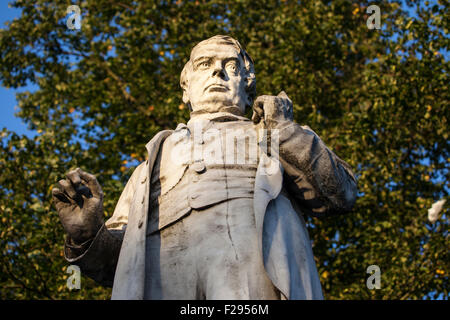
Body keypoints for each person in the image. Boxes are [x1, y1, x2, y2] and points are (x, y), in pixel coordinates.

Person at [52, 35, 357, 300]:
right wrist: (88, 234)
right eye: (204, 64)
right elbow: (120, 263)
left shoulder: (272, 135)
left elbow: (341, 195)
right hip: (165, 276)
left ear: (247, 88)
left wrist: (284, 130)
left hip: (251, 272)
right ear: (186, 88)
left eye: (232, 66)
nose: (218, 71)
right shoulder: (151, 163)